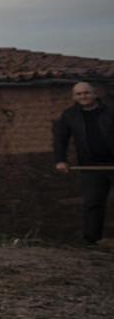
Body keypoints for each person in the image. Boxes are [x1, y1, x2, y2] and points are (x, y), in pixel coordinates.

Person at [53, 81, 114, 244]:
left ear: (94, 94)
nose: (83, 96)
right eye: (79, 94)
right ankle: (91, 241)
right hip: (91, 166)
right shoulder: (69, 115)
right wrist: (60, 160)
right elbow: (60, 139)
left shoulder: (110, 111)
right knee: (93, 203)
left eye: (86, 93)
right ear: (74, 97)